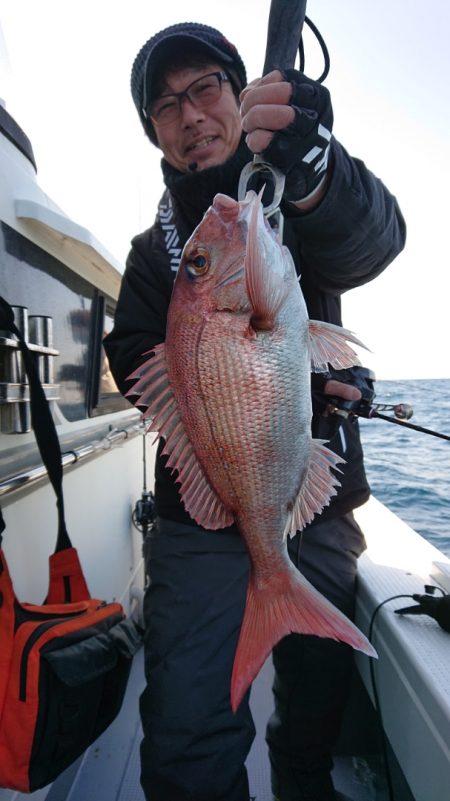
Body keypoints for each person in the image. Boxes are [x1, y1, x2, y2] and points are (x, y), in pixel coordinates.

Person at [104, 21, 406, 801]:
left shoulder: (294, 191)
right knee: (185, 721)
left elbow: (371, 242)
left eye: (206, 88)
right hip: (201, 509)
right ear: (154, 134)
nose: (192, 115)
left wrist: (315, 173)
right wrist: (231, 382)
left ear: (242, 98)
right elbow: (136, 351)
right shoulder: (153, 251)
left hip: (315, 492)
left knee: (316, 705)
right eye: (167, 106)